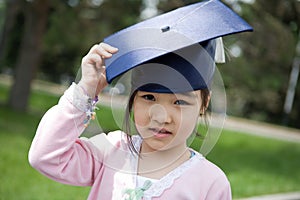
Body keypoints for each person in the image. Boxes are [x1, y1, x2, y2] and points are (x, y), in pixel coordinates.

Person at [29, 1, 252, 199]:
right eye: (149, 97)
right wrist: (85, 91)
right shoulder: (112, 151)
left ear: (203, 104)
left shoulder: (210, 183)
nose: (161, 116)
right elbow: (45, 157)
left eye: (180, 102)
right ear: (133, 100)